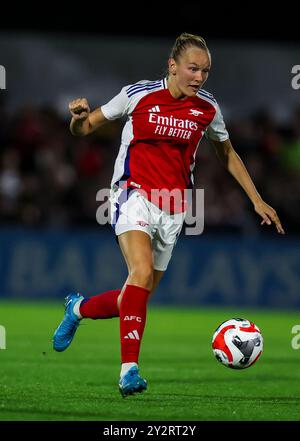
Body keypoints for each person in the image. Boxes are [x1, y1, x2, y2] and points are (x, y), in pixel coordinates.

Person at [52, 33, 285, 397]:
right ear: (173, 66)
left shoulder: (207, 108)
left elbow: (227, 153)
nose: (199, 77)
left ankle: (77, 309)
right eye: (193, 69)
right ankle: (129, 371)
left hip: (174, 208)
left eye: (206, 71)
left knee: (138, 293)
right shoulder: (137, 95)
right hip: (133, 194)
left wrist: (256, 199)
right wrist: (77, 118)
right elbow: (84, 128)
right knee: (140, 274)